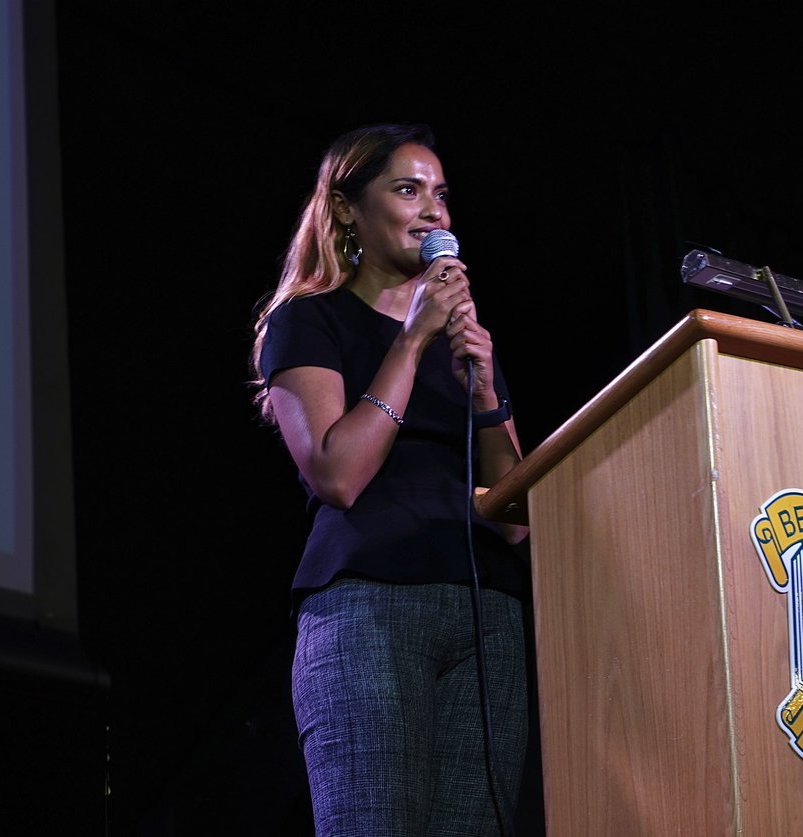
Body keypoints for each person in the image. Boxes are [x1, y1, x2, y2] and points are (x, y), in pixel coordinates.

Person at [248, 122, 531, 836]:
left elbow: (516, 514)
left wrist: (484, 390)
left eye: (440, 194)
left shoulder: (465, 341)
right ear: (347, 209)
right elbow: (339, 473)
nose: (434, 210)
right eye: (408, 189)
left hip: (484, 613)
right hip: (369, 608)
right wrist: (411, 340)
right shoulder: (310, 323)